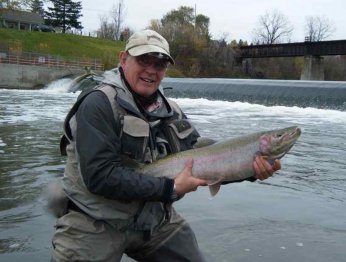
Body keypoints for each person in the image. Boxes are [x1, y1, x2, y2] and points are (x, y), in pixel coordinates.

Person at [51, 29, 281, 261]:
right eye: (143, 60)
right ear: (123, 59)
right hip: (95, 219)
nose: (151, 70)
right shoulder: (98, 103)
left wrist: (250, 169)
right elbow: (99, 176)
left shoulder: (170, 111)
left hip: (151, 219)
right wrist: (169, 189)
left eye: (159, 64)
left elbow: (208, 160)